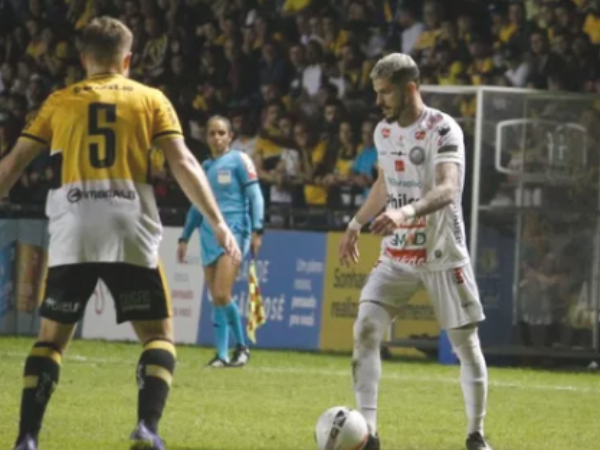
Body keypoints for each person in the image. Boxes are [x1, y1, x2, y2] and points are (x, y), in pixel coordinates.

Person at [0, 17, 241, 450]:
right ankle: (146, 428)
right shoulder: (151, 99)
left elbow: (14, 163)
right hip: (130, 223)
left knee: (50, 340)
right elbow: (184, 163)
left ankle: (26, 438)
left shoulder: (59, 101)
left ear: (83, 59)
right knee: (158, 336)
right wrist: (218, 222)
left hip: (75, 223)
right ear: (128, 59)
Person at [338, 53, 492, 450]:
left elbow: (448, 188)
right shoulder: (383, 132)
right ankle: (368, 435)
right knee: (365, 329)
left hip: (441, 252)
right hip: (397, 254)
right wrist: (355, 224)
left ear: (409, 88)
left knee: (465, 345)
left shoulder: (443, 129)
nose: (378, 101)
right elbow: (384, 185)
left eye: (385, 92)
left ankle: (476, 434)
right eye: (376, 93)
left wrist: (403, 212)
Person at [177, 115, 265, 368]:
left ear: (230, 137)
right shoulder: (204, 168)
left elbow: (256, 196)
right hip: (208, 235)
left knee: (222, 292)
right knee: (215, 298)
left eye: (221, 133)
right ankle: (222, 355)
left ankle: (242, 347)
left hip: (235, 232)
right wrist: (185, 236)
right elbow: (197, 207)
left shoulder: (240, 160)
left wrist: (258, 229)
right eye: (212, 133)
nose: (216, 137)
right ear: (206, 138)